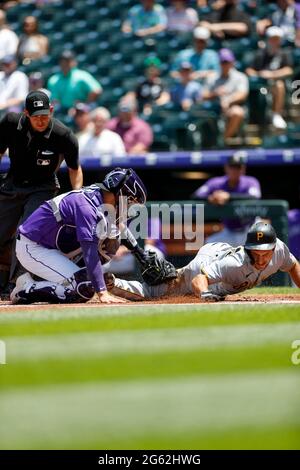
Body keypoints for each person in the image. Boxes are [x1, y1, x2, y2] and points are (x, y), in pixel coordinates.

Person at [10, 168, 176, 304]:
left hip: (55, 246)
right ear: (119, 194)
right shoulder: (86, 206)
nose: (131, 206)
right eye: (131, 200)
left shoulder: (103, 199)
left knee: (112, 239)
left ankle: (60, 280)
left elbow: (120, 228)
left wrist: (139, 253)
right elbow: (89, 253)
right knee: (84, 288)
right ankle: (27, 288)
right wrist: (102, 292)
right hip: (34, 247)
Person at [0, 90, 83, 298]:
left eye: (45, 115)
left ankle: (19, 283)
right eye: (36, 116)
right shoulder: (10, 122)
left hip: (43, 187)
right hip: (12, 182)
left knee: (25, 233)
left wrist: (78, 197)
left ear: (52, 111)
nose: (41, 120)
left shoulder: (63, 135)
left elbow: (74, 168)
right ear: (26, 113)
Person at [107, 222, 300, 301]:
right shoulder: (235, 264)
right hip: (206, 264)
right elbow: (199, 279)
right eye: (255, 251)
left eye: (265, 252)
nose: (260, 256)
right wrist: (205, 294)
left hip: (219, 252)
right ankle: (112, 283)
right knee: (158, 292)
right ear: (248, 247)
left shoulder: (280, 251)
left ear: (274, 249)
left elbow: (293, 266)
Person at [191, 154, 261, 246]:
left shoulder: (250, 181)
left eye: (238, 167)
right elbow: (196, 196)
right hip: (229, 231)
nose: (234, 170)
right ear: (226, 168)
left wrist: (228, 197)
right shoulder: (216, 183)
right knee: (209, 245)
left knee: (265, 244)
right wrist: (210, 198)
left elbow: (254, 197)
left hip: (250, 228)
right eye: (232, 167)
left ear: (243, 169)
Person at [246, 26, 293, 130]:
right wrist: (260, 74)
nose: (274, 41)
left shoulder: (283, 53)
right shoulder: (260, 54)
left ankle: (276, 114)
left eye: (277, 39)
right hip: (261, 85)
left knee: (279, 85)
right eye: (272, 39)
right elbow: (249, 70)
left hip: (276, 84)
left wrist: (272, 74)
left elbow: (289, 70)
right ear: (268, 39)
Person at [202, 48, 249, 140]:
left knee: (237, 112)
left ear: (232, 62)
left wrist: (228, 101)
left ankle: (223, 140)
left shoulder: (240, 77)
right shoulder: (212, 77)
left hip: (232, 106)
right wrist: (215, 93)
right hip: (214, 107)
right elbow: (203, 95)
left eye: (227, 62)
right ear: (219, 63)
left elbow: (242, 94)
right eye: (223, 62)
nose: (225, 65)